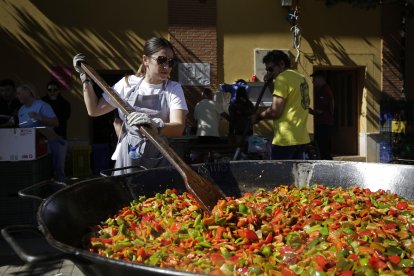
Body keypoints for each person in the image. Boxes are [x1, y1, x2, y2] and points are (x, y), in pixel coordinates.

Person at [73, 37, 188, 175]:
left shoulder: (173, 89)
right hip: (128, 158)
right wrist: (85, 79)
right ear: (145, 60)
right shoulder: (127, 84)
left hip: (159, 157)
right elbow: (94, 110)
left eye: (171, 62)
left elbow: (178, 127)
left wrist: (155, 125)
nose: (166, 66)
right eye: (161, 60)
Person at [252, 50, 310, 160]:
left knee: (279, 176)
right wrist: (270, 84)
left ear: (282, 64)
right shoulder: (300, 77)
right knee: (297, 176)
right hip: (301, 138)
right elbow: (286, 98)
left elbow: (275, 111)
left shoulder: (282, 78)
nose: (269, 72)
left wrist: (258, 117)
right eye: (267, 69)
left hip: (285, 139)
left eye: (270, 69)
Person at [42, 80, 71, 182]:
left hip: (59, 137)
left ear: (59, 91)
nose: (52, 92)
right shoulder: (42, 103)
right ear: (47, 90)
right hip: (45, 138)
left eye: (55, 89)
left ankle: (60, 189)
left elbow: (63, 119)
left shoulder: (65, 103)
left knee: (59, 166)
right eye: (50, 89)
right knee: (46, 165)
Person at [308, 70, 335, 160]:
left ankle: (329, 169)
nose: (313, 81)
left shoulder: (325, 91)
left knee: (323, 150)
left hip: (324, 125)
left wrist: (308, 111)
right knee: (321, 149)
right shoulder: (321, 90)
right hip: (322, 124)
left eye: (314, 79)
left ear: (320, 79)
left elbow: (320, 111)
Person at [228, 80, 254, 148]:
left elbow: (232, 119)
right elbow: (253, 114)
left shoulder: (234, 105)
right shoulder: (249, 104)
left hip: (239, 130)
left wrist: (230, 132)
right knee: (248, 149)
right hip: (249, 129)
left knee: (240, 149)